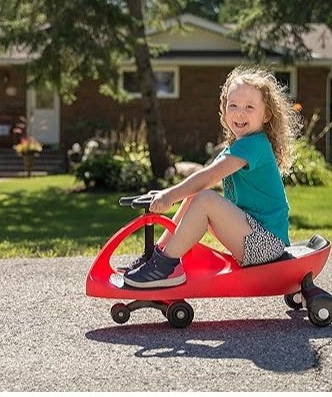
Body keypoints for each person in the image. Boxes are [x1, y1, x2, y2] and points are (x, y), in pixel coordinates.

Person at [123, 67, 301, 289]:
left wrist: (169, 196)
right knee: (196, 196)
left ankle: (166, 266)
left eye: (249, 107)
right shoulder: (239, 145)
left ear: (266, 115)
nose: (239, 113)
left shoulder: (254, 145)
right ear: (224, 108)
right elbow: (201, 180)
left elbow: (209, 176)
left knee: (205, 198)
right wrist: (168, 193)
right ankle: (157, 256)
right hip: (252, 236)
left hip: (267, 244)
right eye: (233, 105)